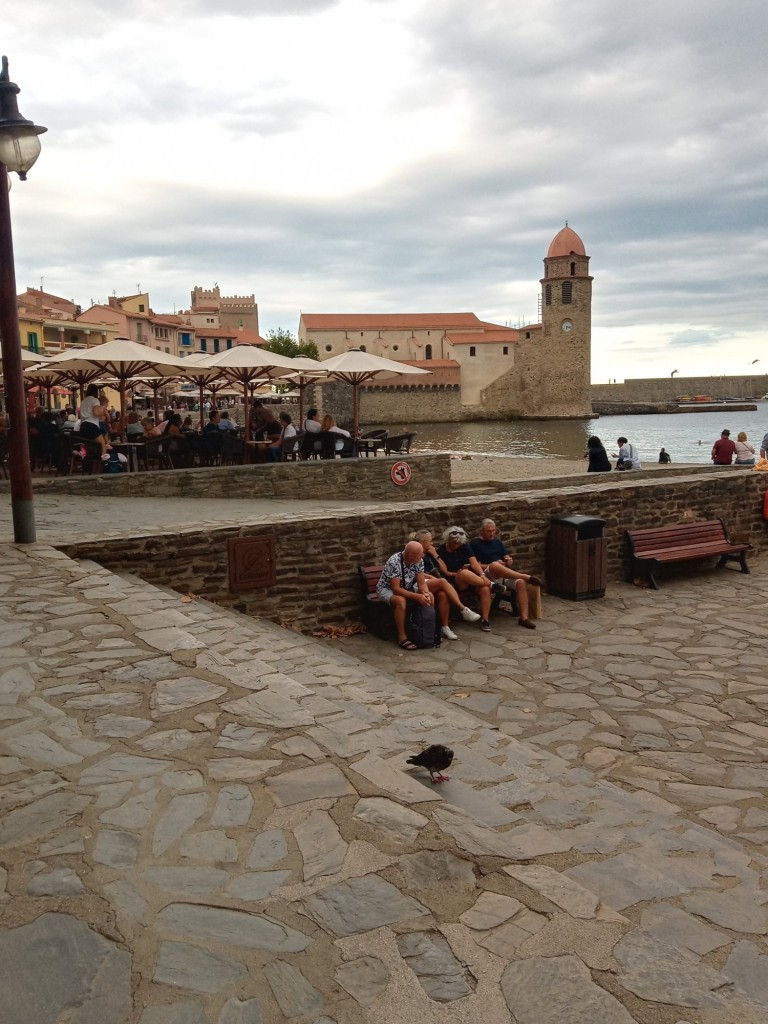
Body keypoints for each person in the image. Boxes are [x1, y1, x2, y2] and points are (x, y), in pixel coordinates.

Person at [470, 519, 540, 630]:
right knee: (494, 565)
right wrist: (494, 564)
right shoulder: (475, 544)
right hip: (487, 574)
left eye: (493, 531)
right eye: (489, 531)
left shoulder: (497, 542)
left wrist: (508, 560)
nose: (492, 533)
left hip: (503, 573)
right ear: (482, 531)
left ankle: (523, 617)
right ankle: (524, 576)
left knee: (520, 583)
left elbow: (505, 556)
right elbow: (476, 566)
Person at [411, 529, 482, 639]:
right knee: (443, 581)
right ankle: (463, 609)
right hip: (419, 583)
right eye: (429, 541)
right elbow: (415, 572)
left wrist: (435, 555)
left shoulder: (429, 554)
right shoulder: (414, 552)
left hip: (434, 582)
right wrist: (432, 577)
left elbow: (444, 569)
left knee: (443, 595)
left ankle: (445, 627)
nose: (432, 543)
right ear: (422, 542)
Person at [436, 525, 499, 632]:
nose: (457, 545)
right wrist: (457, 573)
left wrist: (482, 574)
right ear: (448, 540)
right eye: (454, 543)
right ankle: (492, 584)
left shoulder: (464, 546)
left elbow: (474, 562)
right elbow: (444, 572)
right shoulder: (441, 551)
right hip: (455, 580)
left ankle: (485, 619)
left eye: (459, 543)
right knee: (464, 573)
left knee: (484, 588)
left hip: (472, 578)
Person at [376, 541, 434, 651]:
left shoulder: (418, 561)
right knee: (401, 601)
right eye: (420, 554)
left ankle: (428, 632)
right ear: (411, 555)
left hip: (407, 587)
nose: (423, 556)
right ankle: (402, 636)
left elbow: (421, 584)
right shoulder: (394, 562)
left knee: (430, 596)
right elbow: (396, 589)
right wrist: (416, 597)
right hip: (386, 589)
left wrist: (425, 594)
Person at [78, 384, 110, 453]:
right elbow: (96, 413)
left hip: (83, 426)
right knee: (103, 445)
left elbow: (79, 415)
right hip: (92, 425)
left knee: (88, 448)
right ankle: (103, 459)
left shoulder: (83, 401)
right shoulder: (95, 400)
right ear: (96, 391)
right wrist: (104, 413)